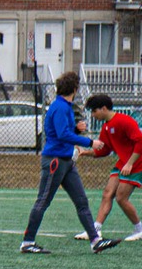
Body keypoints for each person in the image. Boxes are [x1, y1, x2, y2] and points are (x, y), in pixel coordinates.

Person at [22, 72, 109, 253]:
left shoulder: (64, 107)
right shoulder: (61, 107)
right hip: (55, 161)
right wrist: (90, 142)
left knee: (81, 201)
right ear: (75, 89)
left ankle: (95, 240)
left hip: (66, 161)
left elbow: (62, 132)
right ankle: (27, 242)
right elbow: (62, 134)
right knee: (43, 201)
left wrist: (76, 130)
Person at [79, 93, 142, 244]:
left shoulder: (124, 121)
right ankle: (95, 229)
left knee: (121, 198)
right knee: (107, 193)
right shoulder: (106, 126)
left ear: (104, 108)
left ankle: (139, 229)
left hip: (136, 162)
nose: (93, 115)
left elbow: (140, 142)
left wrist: (130, 163)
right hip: (123, 162)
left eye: (94, 111)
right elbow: (104, 150)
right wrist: (85, 152)